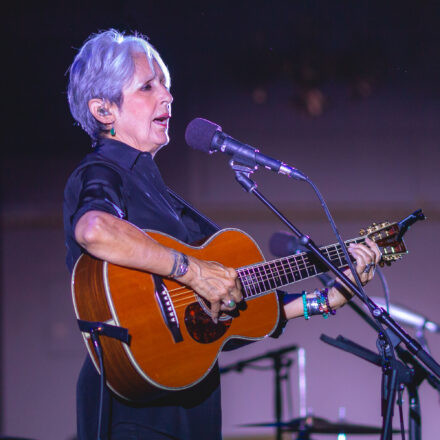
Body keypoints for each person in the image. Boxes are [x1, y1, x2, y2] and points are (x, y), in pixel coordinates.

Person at [64, 29, 381, 440]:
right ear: (104, 110)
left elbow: (239, 303)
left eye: (166, 84)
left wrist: (324, 299)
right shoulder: (101, 171)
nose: (167, 96)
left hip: (191, 403)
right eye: (148, 86)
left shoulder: (166, 201)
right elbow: (94, 228)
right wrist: (192, 272)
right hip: (132, 408)